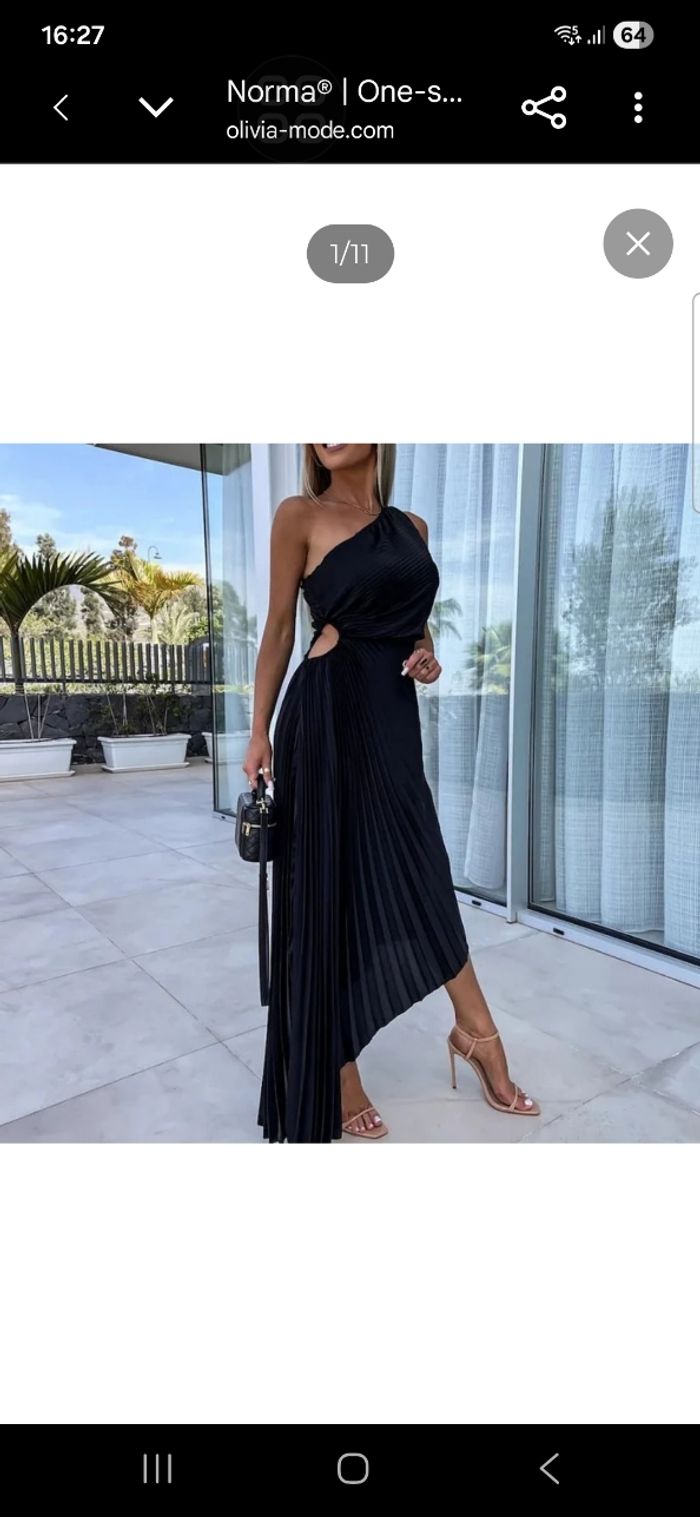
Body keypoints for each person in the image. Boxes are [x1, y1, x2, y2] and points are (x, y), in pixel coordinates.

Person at [244, 444, 539, 1142]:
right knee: (329, 883)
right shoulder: (299, 515)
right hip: (325, 712)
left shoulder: (412, 528)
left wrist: (426, 656)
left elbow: (414, 627)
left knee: (420, 868)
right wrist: (257, 731)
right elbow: (280, 627)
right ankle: (340, 1062)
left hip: (390, 716)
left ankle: (474, 1029)